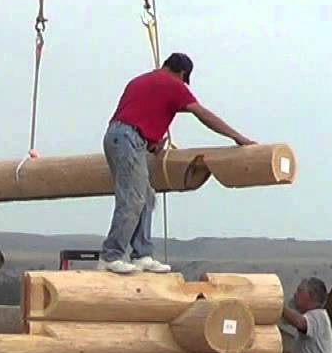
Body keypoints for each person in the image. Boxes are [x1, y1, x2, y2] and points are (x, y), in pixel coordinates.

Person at [100, 52, 255, 275]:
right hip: (128, 139)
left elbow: (137, 113)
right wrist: (236, 137)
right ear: (182, 73)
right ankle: (111, 255)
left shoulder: (140, 81)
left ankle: (142, 254)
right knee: (133, 198)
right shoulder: (173, 85)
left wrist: (150, 142)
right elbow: (202, 114)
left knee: (146, 197)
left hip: (120, 137)